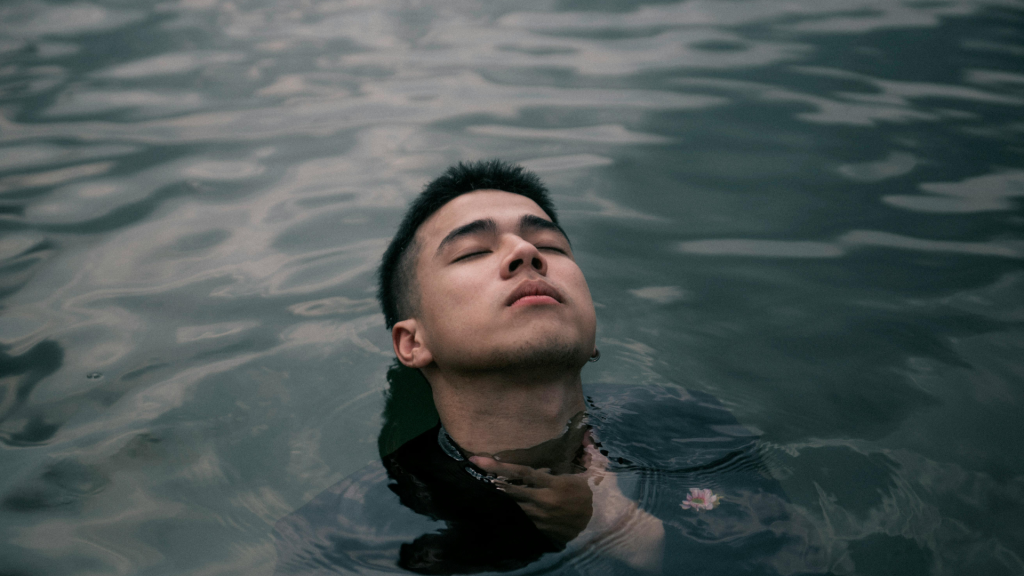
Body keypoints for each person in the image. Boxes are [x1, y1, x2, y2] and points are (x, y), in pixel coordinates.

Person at [273, 161, 825, 575]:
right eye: (471, 252)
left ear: (590, 328)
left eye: (549, 245)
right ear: (412, 342)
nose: (525, 253)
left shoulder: (690, 428)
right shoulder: (352, 530)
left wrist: (627, 532)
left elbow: (801, 556)